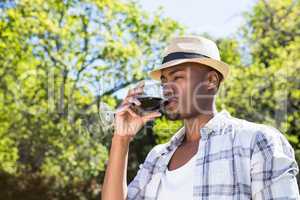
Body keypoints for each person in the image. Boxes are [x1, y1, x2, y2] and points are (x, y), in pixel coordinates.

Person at [101, 36, 299, 200]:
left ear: (211, 80)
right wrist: (121, 139)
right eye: (164, 81)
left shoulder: (256, 141)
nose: (166, 89)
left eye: (177, 77)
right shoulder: (157, 157)